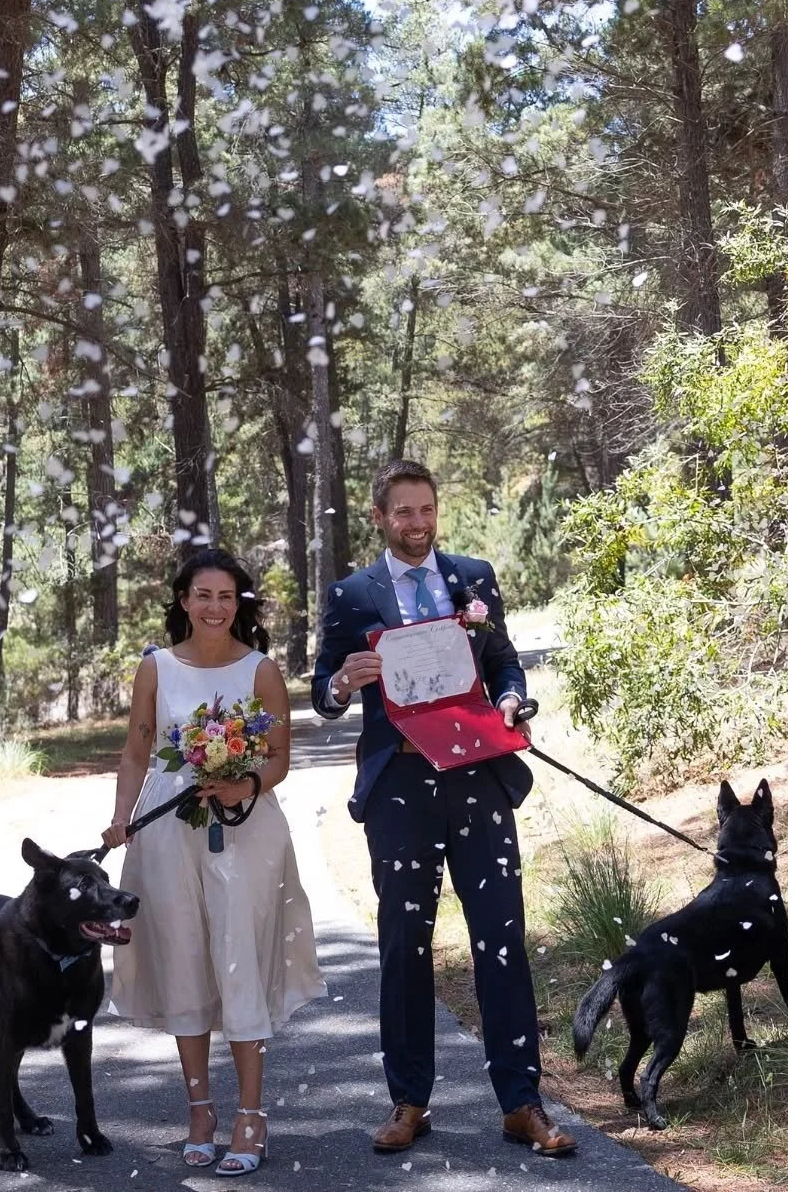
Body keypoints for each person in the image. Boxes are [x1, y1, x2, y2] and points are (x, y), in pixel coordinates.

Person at [311, 459, 576, 1159]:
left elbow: (506, 664)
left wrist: (514, 701)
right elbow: (321, 693)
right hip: (400, 787)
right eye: (403, 512)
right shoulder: (351, 595)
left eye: (426, 510)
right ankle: (409, 1101)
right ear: (380, 518)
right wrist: (343, 680)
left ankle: (522, 1103)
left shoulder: (473, 578)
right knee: (404, 946)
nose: (417, 524)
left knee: (501, 937)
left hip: (478, 781)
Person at [102, 548, 325, 1176]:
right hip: (169, 830)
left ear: (239, 604)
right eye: (203, 595)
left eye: (226, 597)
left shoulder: (261, 671)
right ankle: (200, 1109)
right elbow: (136, 752)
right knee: (184, 956)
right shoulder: (156, 668)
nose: (215, 607)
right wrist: (121, 817)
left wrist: (243, 787)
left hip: (247, 831)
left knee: (238, 956)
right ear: (183, 601)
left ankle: (251, 1115)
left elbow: (278, 756)